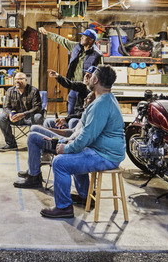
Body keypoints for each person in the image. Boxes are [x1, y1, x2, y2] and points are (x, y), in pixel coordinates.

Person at [39, 65, 125, 219]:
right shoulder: (107, 99)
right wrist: (69, 144)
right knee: (75, 152)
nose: (89, 78)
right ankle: (84, 195)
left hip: (105, 155)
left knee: (60, 162)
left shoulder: (100, 105)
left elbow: (86, 137)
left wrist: (66, 148)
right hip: (105, 151)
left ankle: (64, 207)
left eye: (91, 76)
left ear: (96, 80)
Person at [13, 91, 96, 188]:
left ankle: (34, 176)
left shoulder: (93, 116)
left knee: (32, 137)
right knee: (35, 128)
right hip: (67, 138)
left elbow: (80, 139)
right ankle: (34, 168)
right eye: (86, 97)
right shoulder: (86, 113)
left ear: (95, 101)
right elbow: (71, 131)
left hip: (67, 144)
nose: (85, 99)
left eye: (89, 98)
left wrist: (64, 142)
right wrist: (47, 129)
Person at [38, 27, 102, 114]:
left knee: (83, 114)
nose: (81, 38)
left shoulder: (97, 55)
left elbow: (101, 73)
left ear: (90, 40)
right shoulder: (76, 47)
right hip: (73, 87)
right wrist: (48, 34)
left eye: (83, 37)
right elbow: (62, 40)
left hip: (86, 90)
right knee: (70, 112)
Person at [0, 71, 44, 151]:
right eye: (16, 79)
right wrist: (10, 114)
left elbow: (37, 108)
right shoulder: (10, 91)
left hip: (29, 119)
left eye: (20, 79)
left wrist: (23, 114)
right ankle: (11, 143)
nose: (17, 81)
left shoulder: (34, 91)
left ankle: (36, 143)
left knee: (38, 117)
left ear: (26, 80)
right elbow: (6, 107)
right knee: (1, 118)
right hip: (15, 118)